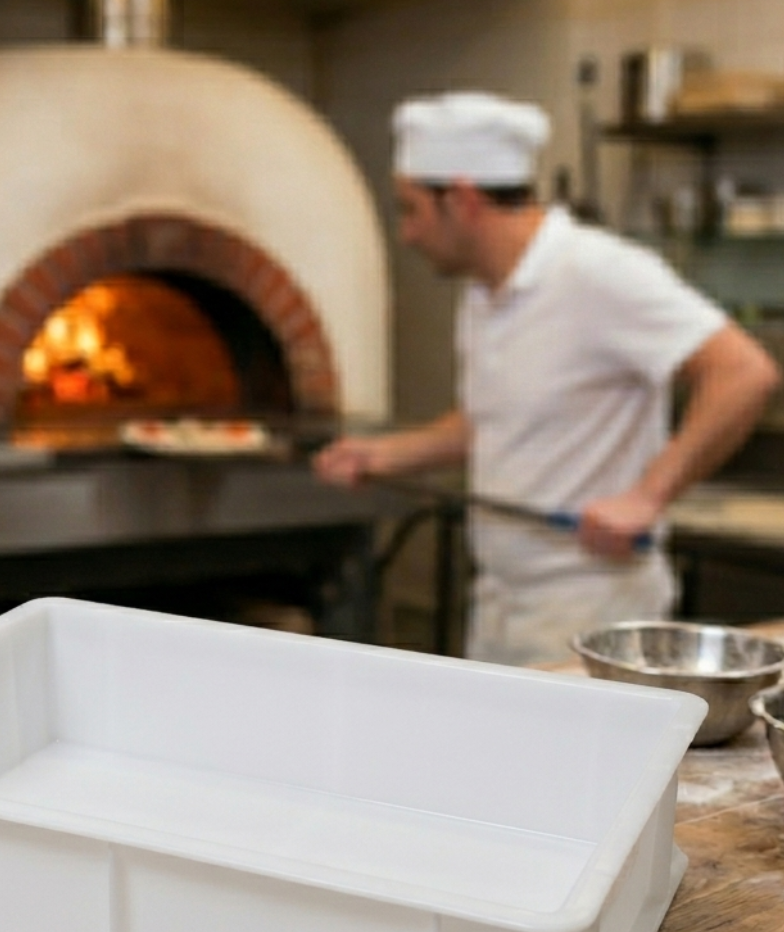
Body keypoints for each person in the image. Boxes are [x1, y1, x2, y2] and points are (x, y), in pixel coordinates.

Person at [314, 91, 780, 666]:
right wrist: (385, 455)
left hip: (591, 609)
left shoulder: (598, 272)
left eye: (411, 209)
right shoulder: (483, 292)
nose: (407, 233)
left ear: (461, 200)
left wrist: (648, 496)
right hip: (499, 600)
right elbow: (492, 417)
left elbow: (743, 371)